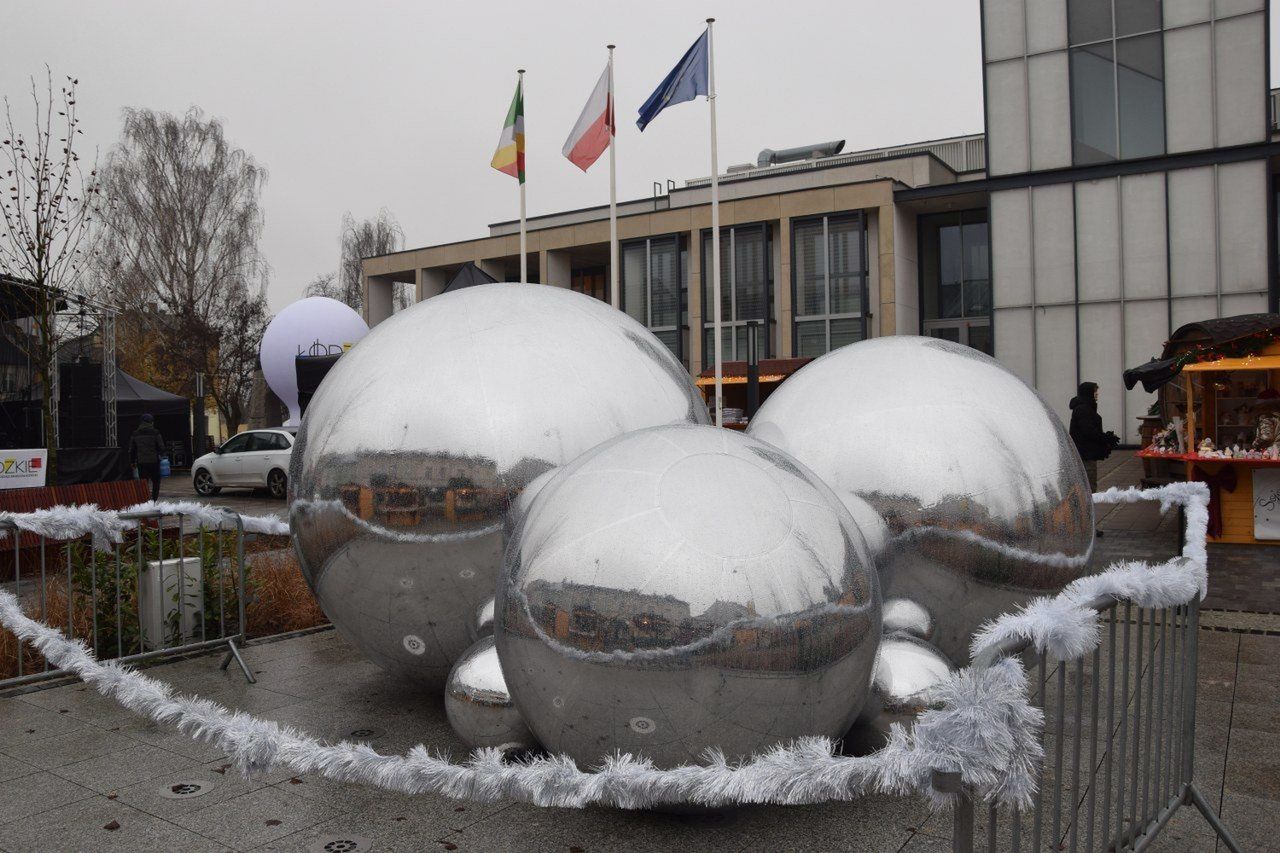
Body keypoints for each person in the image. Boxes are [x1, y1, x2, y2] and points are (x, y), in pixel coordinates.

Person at [1069, 381, 1114, 538]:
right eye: (1095, 391)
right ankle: (1085, 527)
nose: (1097, 394)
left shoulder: (1085, 407)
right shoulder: (1083, 409)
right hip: (1085, 456)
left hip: (1086, 455)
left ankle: (1083, 526)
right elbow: (1088, 431)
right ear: (1088, 393)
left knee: (1085, 489)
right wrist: (1104, 438)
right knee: (1088, 490)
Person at [129, 413, 167, 502]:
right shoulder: (155, 432)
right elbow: (161, 447)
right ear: (151, 422)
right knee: (156, 482)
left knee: (143, 483)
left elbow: (132, 449)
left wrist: (132, 462)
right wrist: (162, 455)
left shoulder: (135, 433)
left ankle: (145, 501)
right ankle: (153, 500)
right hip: (154, 461)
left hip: (141, 462)